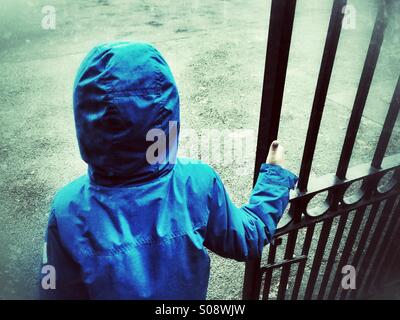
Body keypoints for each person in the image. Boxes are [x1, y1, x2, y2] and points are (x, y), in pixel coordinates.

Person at [39, 41, 298, 300]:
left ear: (85, 115)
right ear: (168, 109)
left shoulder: (67, 208)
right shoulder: (197, 182)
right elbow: (247, 237)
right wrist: (274, 178)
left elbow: (55, 292)